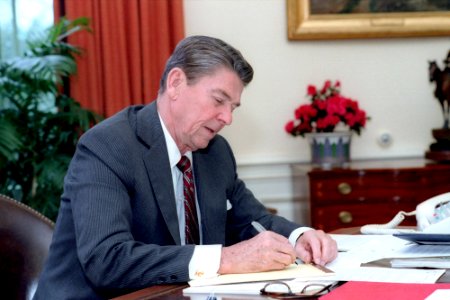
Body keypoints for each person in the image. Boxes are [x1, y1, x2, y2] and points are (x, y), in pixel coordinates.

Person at [34, 35, 337, 299]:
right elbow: (107, 261)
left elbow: (252, 221)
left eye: (233, 107)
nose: (227, 118)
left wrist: (301, 236)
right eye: (219, 100)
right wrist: (225, 259)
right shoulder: (108, 147)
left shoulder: (215, 153)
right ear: (176, 82)